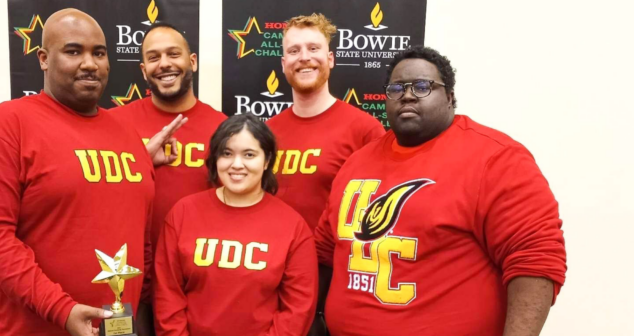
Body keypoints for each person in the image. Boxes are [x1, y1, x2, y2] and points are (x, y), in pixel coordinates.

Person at [0, 9, 185, 336]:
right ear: (44, 58)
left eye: (99, 53)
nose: (90, 63)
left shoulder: (126, 134)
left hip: (121, 328)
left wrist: (143, 310)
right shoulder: (6, 127)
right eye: (74, 51)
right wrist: (61, 309)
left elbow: (137, 233)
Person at [314, 46, 567, 336]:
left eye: (422, 86)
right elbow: (325, 250)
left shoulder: (495, 159)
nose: (407, 95)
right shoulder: (356, 163)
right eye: (396, 88)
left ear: (450, 97)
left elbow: (535, 261)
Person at [267, 13, 386, 334]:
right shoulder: (266, 134)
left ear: (330, 59)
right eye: (294, 50)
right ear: (283, 63)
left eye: (313, 48)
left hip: (335, 279)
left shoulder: (365, 130)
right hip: (272, 277)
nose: (304, 57)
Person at [154, 114, 317, 336]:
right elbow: (167, 295)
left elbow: (297, 310)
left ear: (267, 160)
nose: (236, 164)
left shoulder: (293, 226)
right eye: (227, 153)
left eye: (249, 155)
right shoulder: (183, 213)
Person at [109, 23, 226, 331]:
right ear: (144, 70)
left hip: (196, 285)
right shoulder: (112, 125)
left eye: (174, 53)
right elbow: (90, 195)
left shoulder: (224, 129)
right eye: (154, 57)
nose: (164, 63)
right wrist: (142, 160)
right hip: (122, 280)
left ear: (193, 61)